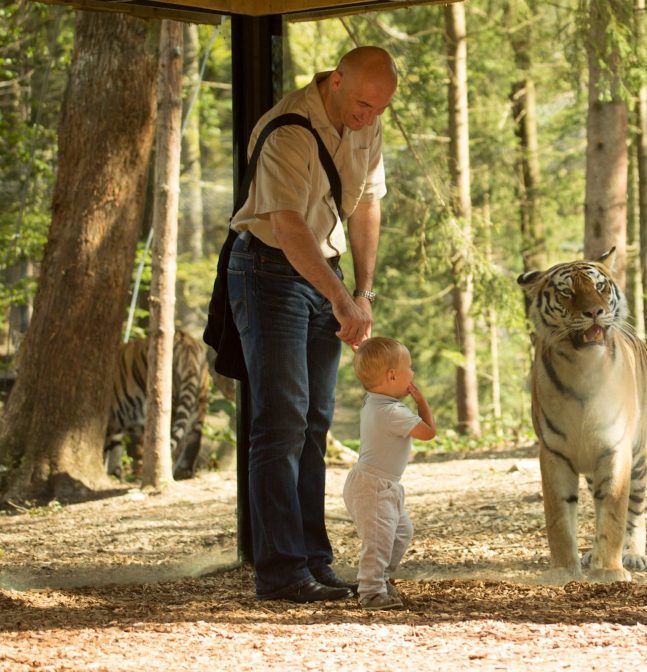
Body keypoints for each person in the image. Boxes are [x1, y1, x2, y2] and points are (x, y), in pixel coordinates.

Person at [226, 46, 397, 603]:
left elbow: (368, 204)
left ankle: (313, 560)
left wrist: (362, 292)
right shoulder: (288, 129)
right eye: (363, 103)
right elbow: (288, 225)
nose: (368, 117)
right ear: (337, 80)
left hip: (327, 274)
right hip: (270, 270)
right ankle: (279, 572)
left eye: (379, 109)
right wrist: (341, 301)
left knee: (316, 420)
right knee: (281, 420)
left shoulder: (366, 121)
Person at [343, 337, 436, 610]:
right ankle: (371, 591)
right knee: (378, 542)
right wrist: (422, 401)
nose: (413, 373)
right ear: (392, 375)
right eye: (409, 367)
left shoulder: (374, 401)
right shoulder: (393, 412)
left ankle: (380, 580)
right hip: (374, 486)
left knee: (401, 532)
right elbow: (429, 433)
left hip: (379, 484)